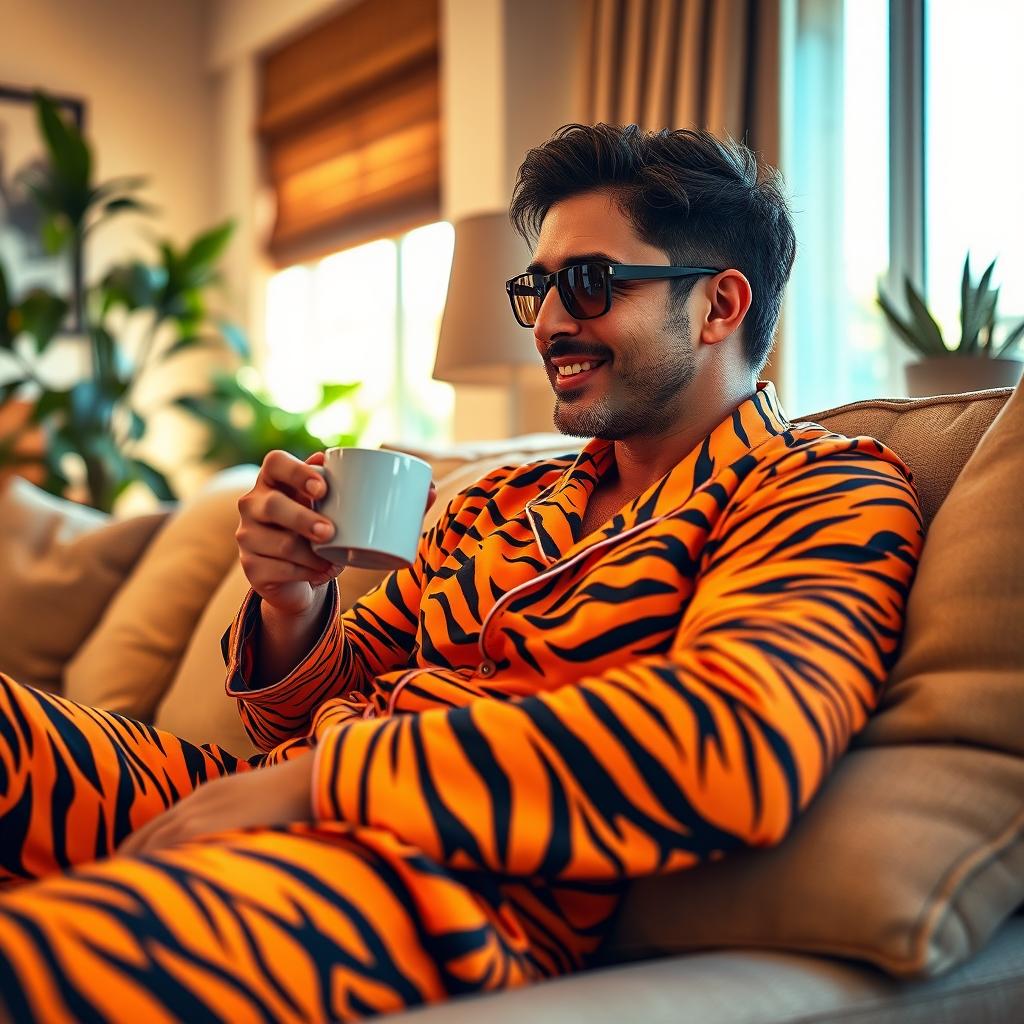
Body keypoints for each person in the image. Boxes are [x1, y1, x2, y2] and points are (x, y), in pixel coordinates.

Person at [0, 124, 923, 1022]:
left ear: (720, 305)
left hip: (449, 881)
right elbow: (302, 701)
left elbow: (736, 745)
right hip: (274, 789)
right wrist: (292, 600)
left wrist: (319, 782)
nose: (553, 321)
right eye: (543, 287)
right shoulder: (500, 501)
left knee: (41, 961)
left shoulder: (818, 486)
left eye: (592, 284)